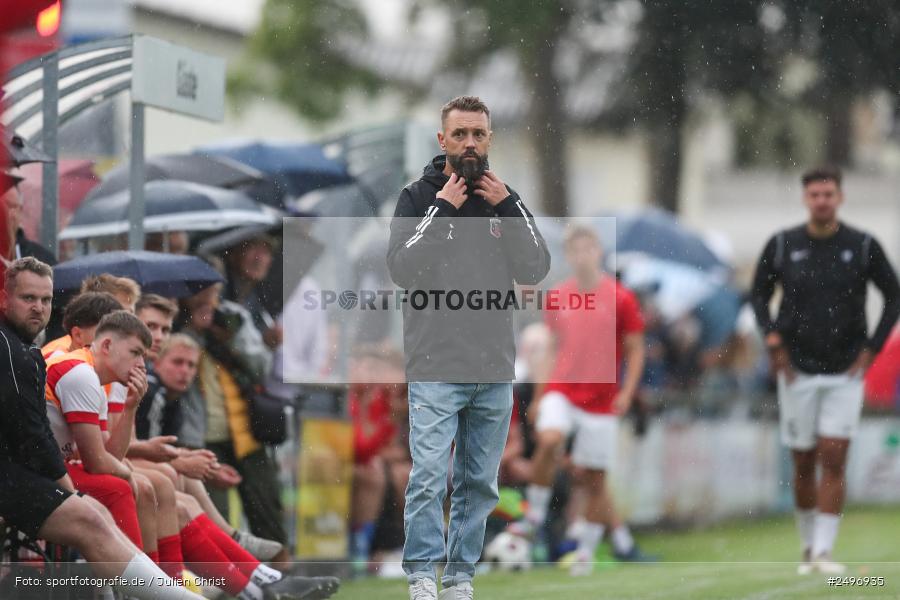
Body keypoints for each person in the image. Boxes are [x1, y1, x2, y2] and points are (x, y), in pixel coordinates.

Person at [387, 95, 550, 600]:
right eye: (460, 134)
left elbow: (537, 266)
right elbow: (401, 267)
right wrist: (442, 210)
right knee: (430, 478)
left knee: (479, 485)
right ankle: (420, 577)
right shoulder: (417, 197)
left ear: (490, 138)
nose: (470, 143)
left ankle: (459, 580)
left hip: (494, 366)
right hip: (435, 363)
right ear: (443, 141)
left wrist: (508, 204)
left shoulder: (506, 198)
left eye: (478, 134)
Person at [0, 257, 209, 600]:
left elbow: (103, 452)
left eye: (45, 300)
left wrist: (130, 409)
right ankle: (175, 587)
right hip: (22, 471)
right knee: (126, 489)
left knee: (134, 490)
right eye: (28, 298)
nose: (38, 308)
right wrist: (69, 486)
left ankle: (190, 584)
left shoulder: (37, 353)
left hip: (28, 469)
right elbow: (36, 437)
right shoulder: (54, 360)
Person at [751, 165, 900, 575]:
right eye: (815, 194)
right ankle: (806, 546)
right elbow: (759, 294)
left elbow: (893, 295)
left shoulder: (863, 245)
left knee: (834, 455)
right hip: (796, 368)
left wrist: (872, 347)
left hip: (845, 369)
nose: (822, 201)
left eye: (828, 194)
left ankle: (824, 551)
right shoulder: (782, 245)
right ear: (805, 198)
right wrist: (772, 340)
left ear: (840, 197)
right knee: (803, 460)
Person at [508, 225, 652, 574]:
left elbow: (634, 349)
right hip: (563, 390)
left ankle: (585, 551)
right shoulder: (558, 297)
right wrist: (542, 394)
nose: (582, 256)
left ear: (599, 252)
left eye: (588, 249)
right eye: (575, 250)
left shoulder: (621, 298)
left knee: (594, 479)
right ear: (569, 256)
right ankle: (536, 516)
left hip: (601, 399)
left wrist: (627, 393)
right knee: (550, 438)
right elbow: (553, 349)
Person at [178, 282, 292, 565]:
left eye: (213, 291)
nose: (208, 298)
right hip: (202, 437)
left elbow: (261, 366)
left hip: (246, 433)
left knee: (267, 508)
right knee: (215, 516)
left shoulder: (234, 316)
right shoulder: (177, 319)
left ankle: (282, 582)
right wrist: (193, 329)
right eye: (201, 291)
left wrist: (229, 336)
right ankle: (229, 585)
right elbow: (174, 361)